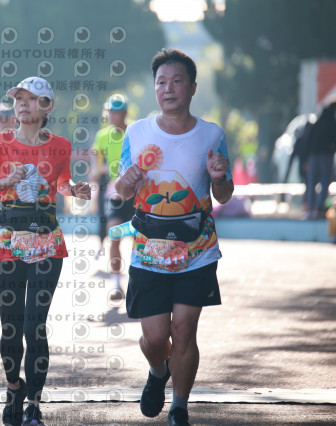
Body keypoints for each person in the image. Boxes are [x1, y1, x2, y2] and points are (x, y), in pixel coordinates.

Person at [115, 49, 234, 426]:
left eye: (177, 81)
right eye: (161, 82)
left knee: (184, 330)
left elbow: (224, 195)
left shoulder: (212, 135)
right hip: (148, 251)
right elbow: (121, 190)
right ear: (154, 88)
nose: (168, 89)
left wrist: (218, 177)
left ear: (192, 87)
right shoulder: (136, 133)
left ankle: (179, 407)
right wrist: (127, 181)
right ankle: (158, 370)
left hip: (196, 249)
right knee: (154, 338)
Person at [0, 76, 91, 426]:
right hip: (6, 242)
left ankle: (34, 403)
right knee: (11, 327)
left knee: (35, 326)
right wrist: (6, 181)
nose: (22, 103)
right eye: (18, 98)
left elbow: (60, 181)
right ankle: (13, 388)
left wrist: (73, 190)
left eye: (31, 98)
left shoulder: (61, 146)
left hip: (47, 241)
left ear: (47, 106)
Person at [91, 93, 135, 300]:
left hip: (137, 193)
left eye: (116, 112)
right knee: (114, 235)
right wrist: (108, 171)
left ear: (125, 113)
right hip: (114, 194)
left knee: (139, 239)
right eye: (110, 112)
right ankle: (117, 285)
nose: (112, 115)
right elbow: (95, 169)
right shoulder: (102, 136)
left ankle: (137, 282)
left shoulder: (135, 132)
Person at [305, 102, 336, 219]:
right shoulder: (332, 123)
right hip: (325, 155)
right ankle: (318, 207)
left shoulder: (317, 123)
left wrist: (306, 158)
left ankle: (311, 207)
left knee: (312, 181)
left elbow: (308, 141)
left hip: (313, 155)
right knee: (325, 180)